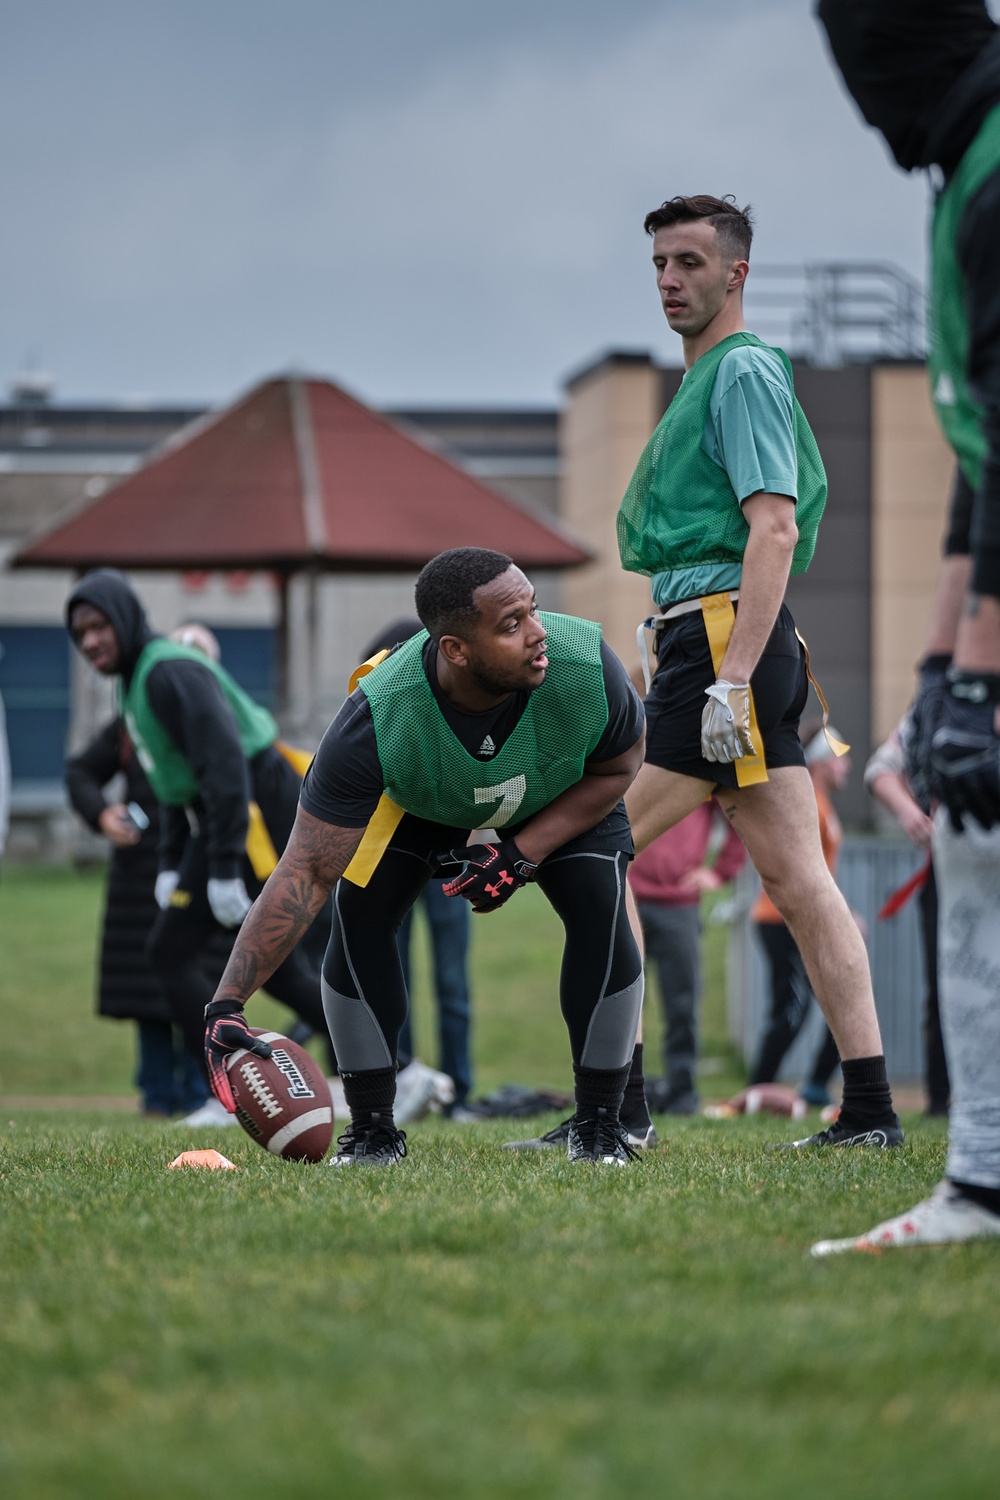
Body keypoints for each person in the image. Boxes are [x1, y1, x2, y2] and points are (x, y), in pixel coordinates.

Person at [199, 546, 648, 1167]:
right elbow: (305, 871)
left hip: (556, 794)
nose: (538, 633)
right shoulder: (378, 717)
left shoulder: (583, 664)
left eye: (534, 611)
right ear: (455, 649)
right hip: (425, 804)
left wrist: (518, 855)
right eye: (511, 624)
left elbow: (621, 766)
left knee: (603, 904)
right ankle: (374, 1131)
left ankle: (601, 1125)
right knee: (359, 916)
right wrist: (226, 1004)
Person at [616, 192, 902, 1150]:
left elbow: (773, 526)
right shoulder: (709, 377)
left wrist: (729, 681)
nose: (669, 280)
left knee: (593, 849)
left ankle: (617, 1111)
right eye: (659, 262)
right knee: (803, 882)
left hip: (725, 646)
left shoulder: (739, 370)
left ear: (736, 274)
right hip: (719, 642)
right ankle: (868, 1111)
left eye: (689, 263)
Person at [811, 0, 1000, 1250]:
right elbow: (975, 459)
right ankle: (982, 1179)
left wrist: (978, 681)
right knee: (975, 854)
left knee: (980, 844)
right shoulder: (963, 167)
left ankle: (982, 1181)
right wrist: (940, 664)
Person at [66, 570, 331, 1123]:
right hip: (221, 818)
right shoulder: (137, 679)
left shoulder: (169, 671)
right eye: (79, 632)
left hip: (254, 810)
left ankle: (229, 1088)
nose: (90, 641)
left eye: (98, 626)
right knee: (270, 964)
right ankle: (390, 1065)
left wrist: (225, 866)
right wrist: (171, 863)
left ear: (126, 617)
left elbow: (228, 763)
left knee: (175, 952)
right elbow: (175, 779)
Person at [65, 716, 211, 1118]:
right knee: (147, 985)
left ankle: (204, 1092)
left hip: (199, 863)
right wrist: (101, 814)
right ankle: (157, 1095)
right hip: (140, 874)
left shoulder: (211, 717)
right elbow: (80, 771)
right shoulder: (132, 725)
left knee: (200, 981)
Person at [749, 722, 856, 1106]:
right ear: (821, 763)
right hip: (779, 919)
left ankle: (814, 1086)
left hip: (804, 919)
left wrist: (840, 914)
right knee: (792, 1010)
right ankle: (757, 1089)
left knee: (840, 997)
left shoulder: (823, 805)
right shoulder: (807, 801)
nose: (845, 767)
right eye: (838, 760)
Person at [629, 802, 746, 1115]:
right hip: (626, 896)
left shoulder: (695, 760)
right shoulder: (626, 755)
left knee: (682, 1004)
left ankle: (682, 1094)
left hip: (679, 906)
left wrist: (719, 872)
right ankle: (618, 1093)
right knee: (620, 1004)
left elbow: (739, 813)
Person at [865, 715, 948, 1117]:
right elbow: (880, 768)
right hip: (950, 872)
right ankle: (942, 1100)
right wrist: (909, 812)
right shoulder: (935, 707)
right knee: (943, 985)